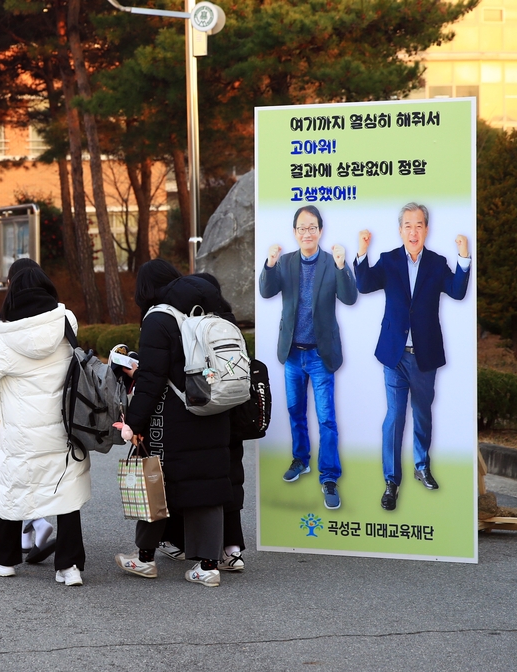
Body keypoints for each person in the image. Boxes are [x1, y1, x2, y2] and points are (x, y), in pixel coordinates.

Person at [0, 266, 90, 587]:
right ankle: (69, 567)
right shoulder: (66, 322)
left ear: (11, 289)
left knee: (15, 490)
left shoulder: (4, 337)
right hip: (66, 426)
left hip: (22, 434)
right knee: (67, 493)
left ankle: (2, 560)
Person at [114, 260, 232, 587]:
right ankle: (207, 567)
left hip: (174, 417)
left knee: (155, 480)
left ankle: (145, 558)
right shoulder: (212, 307)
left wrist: (134, 423)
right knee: (205, 483)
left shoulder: (159, 318)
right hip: (213, 407)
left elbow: (152, 380)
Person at [354, 203, 471, 511]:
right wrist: (362, 251)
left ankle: (422, 466)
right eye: (408, 225)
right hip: (394, 354)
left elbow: (457, 291)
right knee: (393, 418)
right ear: (400, 230)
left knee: (422, 414)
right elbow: (364, 285)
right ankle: (391, 481)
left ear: (426, 229)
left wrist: (464, 256)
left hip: (424, 355)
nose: (413, 231)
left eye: (419, 225)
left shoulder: (436, 263)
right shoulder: (389, 260)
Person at [258, 205, 357, 509]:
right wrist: (270, 263)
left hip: (320, 355)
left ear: (321, 231)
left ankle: (329, 477)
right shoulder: (285, 262)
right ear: (295, 232)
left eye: (312, 227)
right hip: (292, 354)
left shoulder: (331, 262)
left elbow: (350, 297)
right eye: (302, 228)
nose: (307, 233)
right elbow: (266, 290)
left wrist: (342, 266)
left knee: (326, 419)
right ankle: (300, 460)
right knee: (295, 412)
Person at [155, 272, 250, 571]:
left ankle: (208, 554)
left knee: (207, 480)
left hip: (210, 408)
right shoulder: (229, 323)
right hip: (235, 406)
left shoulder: (193, 327)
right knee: (230, 475)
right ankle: (231, 549)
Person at [0, 258, 57, 564]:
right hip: (53, 415)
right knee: (41, 473)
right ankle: (34, 529)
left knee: (17, 478)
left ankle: (33, 528)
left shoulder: (3, 325)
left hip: (17, 415)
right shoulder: (59, 321)